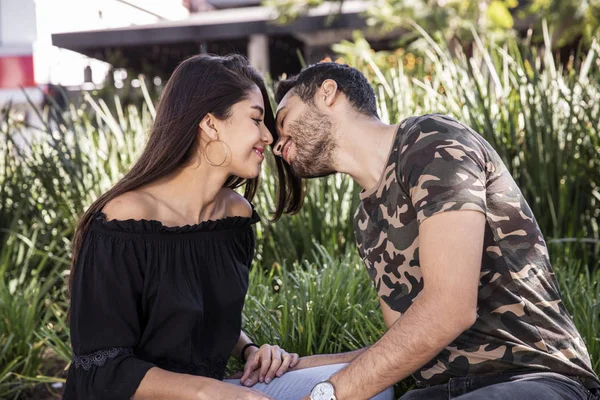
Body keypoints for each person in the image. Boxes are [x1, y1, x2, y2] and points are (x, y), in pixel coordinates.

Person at [64, 54, 394, 400]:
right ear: (210, 124)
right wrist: (213, 393)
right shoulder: (123, 221)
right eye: (256, 119)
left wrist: (251, 351)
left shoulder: (234, 217)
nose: (269, 137)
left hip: (223, 393)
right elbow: (100, 367)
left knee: (369, 386)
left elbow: (197, 317)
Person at [271, 61, 600, 400]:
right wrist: (294, 365)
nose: (277, 145)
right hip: (439, 391)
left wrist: (326, 395)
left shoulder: (430, 141)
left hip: (534, 378)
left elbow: (450, 309)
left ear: (328, 93)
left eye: (283, 120)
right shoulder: (365, 219)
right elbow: (402, 341)